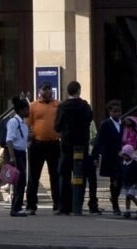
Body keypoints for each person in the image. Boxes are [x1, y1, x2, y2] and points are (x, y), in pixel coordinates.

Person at [52, 80, 93, 214]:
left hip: (66, 145)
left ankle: (64, 207)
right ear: (79, 91)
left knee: (64, 175)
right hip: (81, 145)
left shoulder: (62, 107)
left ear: (68, 91)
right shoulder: (85, 106)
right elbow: (89, 120)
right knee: (80, 174)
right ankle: (78, 205)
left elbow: (57, 126)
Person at [25, 84, 59, 215]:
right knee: (33, 176)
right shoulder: (33, 105)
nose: (48, 92)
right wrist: (31, 138)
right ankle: (31, 205)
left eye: (49, 90)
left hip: (54, 144)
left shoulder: (58, 105)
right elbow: (28, 123)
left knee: (55, 175)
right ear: (40, 91)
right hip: (37, 144)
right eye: (45, 90)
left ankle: (58, 204)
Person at [92, 100, 126, 215]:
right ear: (109, 112)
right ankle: (115, 204)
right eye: (114, 111)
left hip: (122, 156)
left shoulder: (124, 123)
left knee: (120, 180)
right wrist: (95, 156)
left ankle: (114, 197)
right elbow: (99, 140)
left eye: (119, 111)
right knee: (114, 180)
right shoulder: (105, 124)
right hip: (110, 156)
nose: (117, 114)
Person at [3, 96, 29, 217]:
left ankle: (17, 206)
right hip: (16, 153)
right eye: (26, 109)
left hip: (22, 152)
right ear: (21, 110)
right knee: (20, 180)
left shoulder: (23, 123)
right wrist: (12, 156)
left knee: (22, 181)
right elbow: (9, 140)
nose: (28, 111)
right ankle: (15, 208)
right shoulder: (14, 122)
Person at [117, 144, 137, 218]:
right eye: (124, 155)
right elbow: (120, 172)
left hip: (133, 183)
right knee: (127, 197)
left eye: (126, 155)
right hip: (125, 183)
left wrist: (136, 182)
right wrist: (117, 179)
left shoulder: (134, 164)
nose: (125, 157)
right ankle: (127, 211)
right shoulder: (123, 164)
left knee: (130, 195)